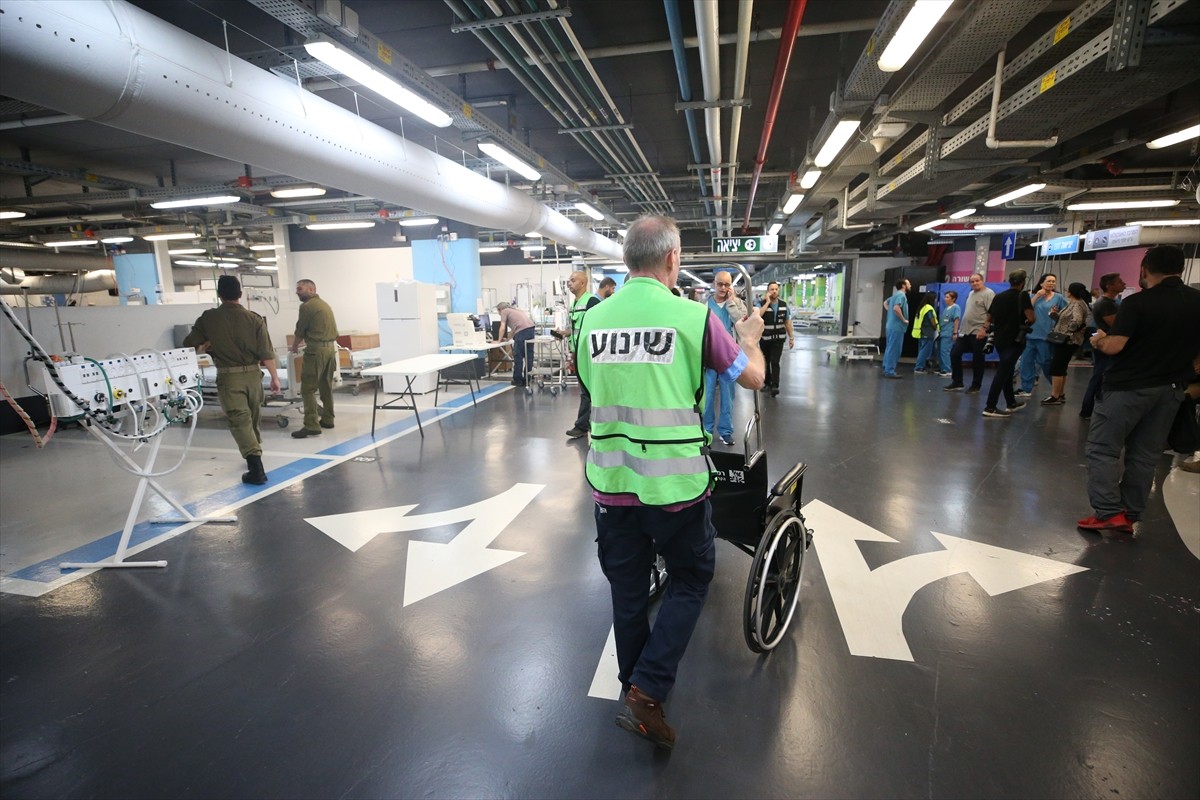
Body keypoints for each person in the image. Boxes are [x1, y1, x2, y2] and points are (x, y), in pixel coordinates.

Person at [575, 214, 765, 750]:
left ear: (626, 261)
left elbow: (589, 387)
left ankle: (635, 689)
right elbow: (752, 380)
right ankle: (649, 688)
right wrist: (750, 339)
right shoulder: (693, 317)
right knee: (690, 579)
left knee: (629, 591)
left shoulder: (591, 320)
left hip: (611, 484)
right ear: (672, 260)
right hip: (677, 489)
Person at [1079, 245, 1200, 535]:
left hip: (1127, 388)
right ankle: (1130, 514)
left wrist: (1097, 341)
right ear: (1181, 269)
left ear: (1145, 270)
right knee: (1145, 454)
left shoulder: (1137, 303)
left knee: (1103, 449)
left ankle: (1108, 512)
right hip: (1171, 389)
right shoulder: (1198, 301)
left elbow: (1115, 345)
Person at [183, 275, 280, 484]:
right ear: (240, 294)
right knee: (252, 419)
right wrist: (274, 378)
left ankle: (256, 469)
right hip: (254, 377)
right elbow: (266, 353)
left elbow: (189, 344)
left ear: (219, 295)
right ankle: (254, 456)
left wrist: (206, 344)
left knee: (240, 420)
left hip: (230, 377)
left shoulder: (208, 318)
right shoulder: (254, 319)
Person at [703, 268, 748, 444]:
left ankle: (725, 431)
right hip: (709, 356)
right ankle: (706, 430)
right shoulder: (704, 305)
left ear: (731, 286)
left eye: (727, 284)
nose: (722, 287)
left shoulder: (738, 304)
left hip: (729, 356)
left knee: (728, 396)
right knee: (707, 397)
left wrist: (731, 302)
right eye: (720, 284)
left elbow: (741, 323)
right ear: (714, 284)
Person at [289, 279, 339, 438]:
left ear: (311, 289)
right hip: (331, 349)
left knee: (307, 389)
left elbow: (300, 329)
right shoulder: (325, 304)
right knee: (325, 386)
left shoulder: (307, 306)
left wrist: (294, 346)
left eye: (300, 288)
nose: (297, 291)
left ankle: (311, 424)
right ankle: (328, 419)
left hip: (316, 351)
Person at [981, 269, 1034, 418]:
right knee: (1003, 372)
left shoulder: (999, 297)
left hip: (999, 338)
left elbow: (990, 316)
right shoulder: (1023, 296)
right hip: (1014, 339)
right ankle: (990, 407)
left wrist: (984, 329)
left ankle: (1010, 402)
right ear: (1023, 283)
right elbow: (1031, 318)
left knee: (1007, 370)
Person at [1080, 272, 1126, 420]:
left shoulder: (1109, 303)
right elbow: (1118, 326)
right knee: (1099, 376)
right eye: (1119, 282)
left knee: (1100, 375)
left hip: (1105, 342)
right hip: (1106, 344)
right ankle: (1087, 409)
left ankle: (1092, 408)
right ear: (1109, 286)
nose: (1123, 283)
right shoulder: (1106, 304)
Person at [1016, 273, 1067, 398]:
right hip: (1031, 335)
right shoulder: (1033, 296)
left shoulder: (1059, 298)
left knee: (1045, 362)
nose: (1051, 283)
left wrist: (1057, 314)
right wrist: (1037, 295)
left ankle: (1057, 390)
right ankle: (1026, 388)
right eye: (1048, 281)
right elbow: (1026, 309)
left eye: (1053, 281)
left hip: (1046, 336)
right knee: (1026, 363)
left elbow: (1066, 313)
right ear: (1041, 283)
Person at [564, 269, 601, 439]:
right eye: (568, 281)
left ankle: (582, 425)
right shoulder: (574, 304)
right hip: (579, 352)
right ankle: (588, 424)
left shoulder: (591, 301)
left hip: (589, 353)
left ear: (583, 283)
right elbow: (575, 331)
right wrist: (572, 352)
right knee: (585, 390)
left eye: (572, 280)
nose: (569, 283)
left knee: (587, 390)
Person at [1041, 282, 1091, 407]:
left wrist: (1069, 331)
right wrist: (1054, 315)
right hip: (1068, 340)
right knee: (1061, 368)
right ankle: (1060, 394)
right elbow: (1065, 320)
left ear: (1071, 292)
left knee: (1057, 368)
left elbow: (1077, 321)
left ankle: (1055, 395)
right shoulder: (1076, 303)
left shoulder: (1077, 304)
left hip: (1068, 341)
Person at [945, 274, 994, 393]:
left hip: (978, 332)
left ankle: (976, 385)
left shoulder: (988, 293)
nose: (975, 283)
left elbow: (992, 313)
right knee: (954, 354)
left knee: (978, 359)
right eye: (972, 281)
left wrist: (984, 329)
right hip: (965, 332)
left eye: (977, 281)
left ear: (982, 281)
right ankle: (957, 382)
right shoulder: (971, 293)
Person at [758, 280, 794, 396]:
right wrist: (767, 302)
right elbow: (758, 315)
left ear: (778, 290)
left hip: (778, 339)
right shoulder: (761, 303)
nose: (774, 291)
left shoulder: (783, 305)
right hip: (765, 339)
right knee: (765, 361)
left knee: (775, 361)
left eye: (776, 289)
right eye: (771, 289)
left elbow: (787, 322)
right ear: (767, 291)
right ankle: (767, 383)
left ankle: (775, 385)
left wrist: (791, 337)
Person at [495, 301, 536, 387]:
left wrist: (498, 341)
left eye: (498, 311)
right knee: (529, 356)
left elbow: (502, 327)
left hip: (522, 332)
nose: (499, 314)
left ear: (500, 309)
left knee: (518, 356)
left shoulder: (504, 311)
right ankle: (527, 379)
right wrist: (508, 339)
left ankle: (517, 380)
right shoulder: (516, 311)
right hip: (531, 330)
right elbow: (514, 329)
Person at [882, 278, 910, 378]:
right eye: (908, 284)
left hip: (890, 325)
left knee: (890, 348)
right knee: (894, 349)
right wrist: (903, 319)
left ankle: (886, 367)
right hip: (897, 327)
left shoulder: (895, 295)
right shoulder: (901, 295)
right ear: (903, 285)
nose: (910, 285)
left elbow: (885, 303)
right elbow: (896, 308)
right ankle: (890, 371)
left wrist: (891, 314)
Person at [911, 292, 939, 374]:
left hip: (921, 332)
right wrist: (935, 327)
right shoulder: (929, 308)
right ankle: (919, 367)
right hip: (928, 332)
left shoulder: (922, 307)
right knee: (924, 351)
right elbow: (931, 320)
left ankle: (921, 366)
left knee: (921, 350)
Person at [934, 290, 960, 377]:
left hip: (948, 332)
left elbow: (956, 320)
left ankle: (947, 369)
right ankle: (942, 367)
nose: (945, 299)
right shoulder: (946, 309)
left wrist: (955, 332)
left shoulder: (955, 307)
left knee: (945, 351)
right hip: (942, 332)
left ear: (953, 299)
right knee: (940, 351)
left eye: (947, 297)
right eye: (945, 297)